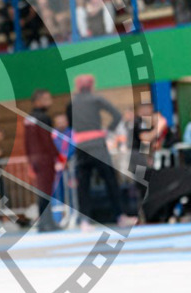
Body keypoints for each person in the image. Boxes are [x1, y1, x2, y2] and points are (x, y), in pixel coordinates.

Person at [65, 75, 135, 231]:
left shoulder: (72, 103)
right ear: (91, 85)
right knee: (111, 181)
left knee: (83, 184)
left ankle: (85, 221)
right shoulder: (97, 100)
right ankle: (120, 216)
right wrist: (107, 131)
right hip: (98, 146)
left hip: (81, 147)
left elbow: (70, 124)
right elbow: (117, 115)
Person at [25, 89, 60, 231]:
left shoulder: (28, 118)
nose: (49, 102)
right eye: (47, 99)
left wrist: (30, 160)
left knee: (42, 191)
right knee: (46, 191)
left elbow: (27, 142)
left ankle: (45, 221)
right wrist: (57, 156)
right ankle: (46, 222)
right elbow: (47, 141)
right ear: (38, 101)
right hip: (45, 159)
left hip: (35, 159)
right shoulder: (44, 118)